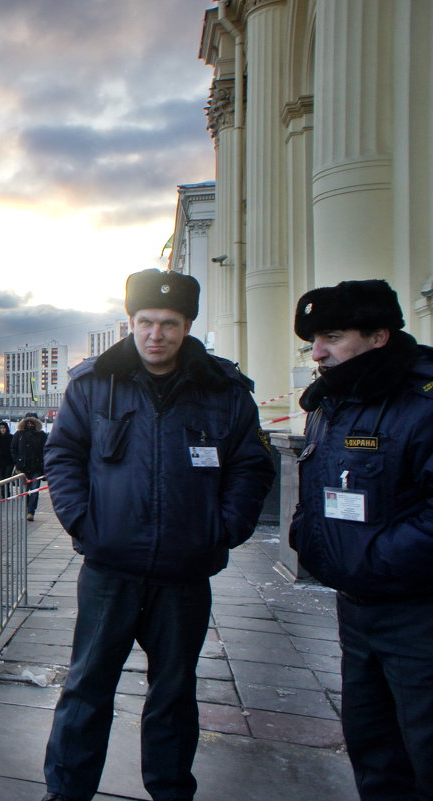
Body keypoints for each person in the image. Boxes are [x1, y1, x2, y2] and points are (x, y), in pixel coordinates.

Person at [41, 268, 275, 801]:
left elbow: (251, 465)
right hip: (109, 570)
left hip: (184, 575)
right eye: (145, 321)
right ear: (131, 321)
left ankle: (170, 792)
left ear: (187, 325)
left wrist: (223, 529)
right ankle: (66, 792)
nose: (156, 334)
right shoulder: (94, 382)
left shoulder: (222, 389)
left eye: (169, 323)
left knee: (173, 693)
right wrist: (84, 523)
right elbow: (63, 455)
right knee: (86, 688)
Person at [288, 279, 433, 801]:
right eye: (313, 341)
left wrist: (370, 559)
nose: (318, 352)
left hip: (417, 614)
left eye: (331, 335)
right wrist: (313, 540)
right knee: (373, 749)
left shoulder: (423, 400)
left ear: (378, 336)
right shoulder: (333, 402)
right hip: (357, 610)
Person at [12, 413, 47, 519]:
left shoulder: (42, 435)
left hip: (36, 467)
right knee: (25, 491)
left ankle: (31, 512)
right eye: (28, 422)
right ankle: (28, 508)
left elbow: (46, 451)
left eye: (32, 422)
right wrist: (17, 461)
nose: (30, 424)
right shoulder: (19, 434)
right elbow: (13, 448)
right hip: (23, 467)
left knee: (35, 491)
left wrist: (44, 467)